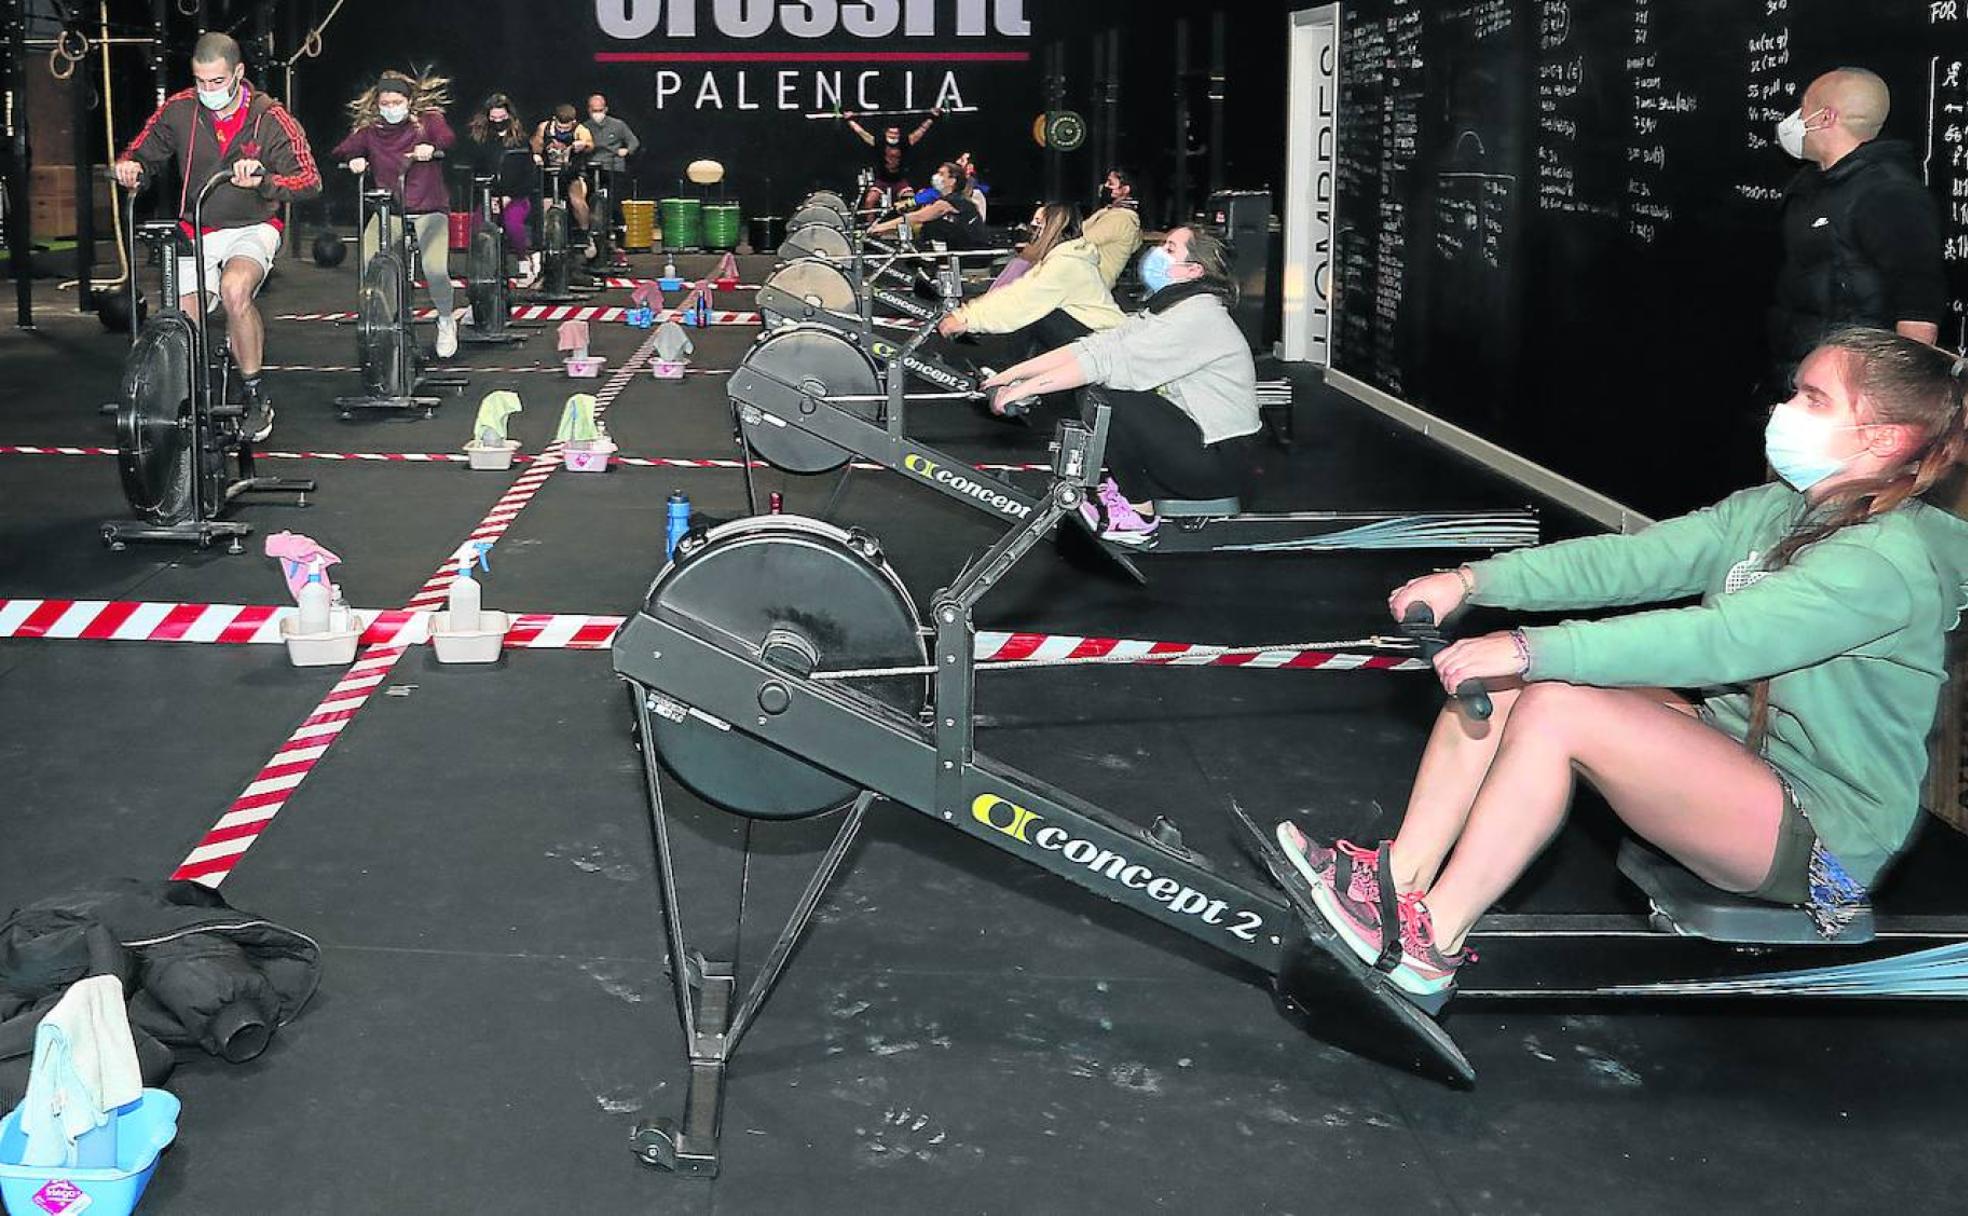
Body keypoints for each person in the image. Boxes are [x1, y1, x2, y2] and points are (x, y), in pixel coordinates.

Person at [1277, 328, 1968, 1011]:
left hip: (1822, 834)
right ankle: (1397, 883)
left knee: (1559, 703)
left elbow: (1723, 640)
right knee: (1510, 685)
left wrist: (1533, 646)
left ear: (1884, 438)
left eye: (1814, 399)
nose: (1784, 410)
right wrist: (1471, 582)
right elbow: (1632, 562)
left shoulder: (1881, 563)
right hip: (1743, 761)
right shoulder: (1778, 511)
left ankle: (1433, 947)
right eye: (1795, 391)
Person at [981, 227, 1261, 543]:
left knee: (1109, 397)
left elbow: (1103, 365)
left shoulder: (1200, 317)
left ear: (1193, 270)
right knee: (1100, 391)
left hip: (1219, 464)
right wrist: (1011, 376)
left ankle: (1139, 516)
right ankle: (1129, 494)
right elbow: (1097, 346)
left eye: (1169, 249)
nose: (1156, 254)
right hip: (1198, 446)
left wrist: (1024, 390)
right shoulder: (1172, 307)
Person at [113, 31, 320, 441]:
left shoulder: (270, 117)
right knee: (180, 316)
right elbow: (142, 149)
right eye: (201, 82)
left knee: (234, 289)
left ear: (238, 74)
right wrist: (131, 166)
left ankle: (254, 392)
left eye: (217, 82)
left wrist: (263, 179)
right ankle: (184, 399)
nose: (208, 90)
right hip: (199, 227)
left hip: (254, 226)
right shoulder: (180, 109)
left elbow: (310, 181)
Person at [1770, 68, 1946, 389]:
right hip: (1808, 374)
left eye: (1803, 108)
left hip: (1855, 386)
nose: (1793, 120)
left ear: (1826, 117)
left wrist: (1899, 395)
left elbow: (1918, 305)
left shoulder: (1889, 193)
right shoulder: (1813, 186)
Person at [332, 69, 458, 357]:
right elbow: (343, 149)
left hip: (429, 208)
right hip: (390, 210)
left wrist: (431, 146)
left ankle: (446, 319)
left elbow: (448, 138)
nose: (391, 109)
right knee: (369, 260)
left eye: (396, 102)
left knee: (435, 269)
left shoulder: (428, 122)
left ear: (409, 101)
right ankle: (385, 321)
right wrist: (355, 158)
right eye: (385, 103)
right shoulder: (371, 130)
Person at [937, 203, 1122, 354]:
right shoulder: (1061, 259)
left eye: (1038, 225)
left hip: (1104, 340)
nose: (1032, 231)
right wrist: (966, 315)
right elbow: (1015, 291)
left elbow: (1022, 303)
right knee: (1035, 317)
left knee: (1034, 319)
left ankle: (1013, 381)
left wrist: (969, 321)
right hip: (1095, 334)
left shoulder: (1066, 265)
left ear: (1049, 228)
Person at [466, 94, 540, 287]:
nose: (498, 122)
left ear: (509, 116)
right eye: (494, 118)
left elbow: (528, 175)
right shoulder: (481, 140)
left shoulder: (521, 141)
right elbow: (477, 171)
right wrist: (488, 197)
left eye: (502, 118)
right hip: (489, 195)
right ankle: (483, 268)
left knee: (512, 224)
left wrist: (509, 197)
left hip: (516, 196)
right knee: (478, 225)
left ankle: (524, 261)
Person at [867, 161, 984, 249]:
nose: (936, 176)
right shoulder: (940, 198)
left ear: (952, 180)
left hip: (971, 253)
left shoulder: (954, 201)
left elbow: (917, 217)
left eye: (941, 174)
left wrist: (879, 227)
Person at [581, 93, 639, 268]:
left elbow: (633, 142)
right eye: (594, 110)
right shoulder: (583, 128)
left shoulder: (618, 125)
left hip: (613, 168)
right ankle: (591, 243)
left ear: (605, 109)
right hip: (591, 169)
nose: (597, 113)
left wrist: (626, 151)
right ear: (589, 110)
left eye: (600, 110)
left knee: (614, 206)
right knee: (588, 205)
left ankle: (619, 246)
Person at [845, 109, 938, 212]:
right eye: (890, 133)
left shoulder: (905, 142)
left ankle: (907, 224)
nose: (893, 136)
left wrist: (932, 117)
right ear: (886, 133)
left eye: (896, 134)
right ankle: (871, 225)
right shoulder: (879, 143)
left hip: (900, 182)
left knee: (911, 202)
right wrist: (850, 120)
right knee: (869, 201)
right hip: (882, 181)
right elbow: (861, 132)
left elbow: (921, 131)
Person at [531, 103, 596, 251]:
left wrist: (583, 144)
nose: (563, 130)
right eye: (560, 127)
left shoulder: (580, 129)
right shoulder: (544, 127)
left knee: (577, 200)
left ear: (573, 122)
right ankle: (546, 240)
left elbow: (591, 144)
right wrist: (536, 154)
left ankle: (585, 234)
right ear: (554, 120)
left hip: (571, 174)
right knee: (545, 205)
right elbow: (536, 145)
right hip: (549, 173)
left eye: (566, 128)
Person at [1083, 167, 1143, 291]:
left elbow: (1082, 240)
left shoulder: (1121, 219)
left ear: (1125, 189)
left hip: (1091, 284)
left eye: (1111, 183)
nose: (1105, 186)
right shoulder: (1113, 212)